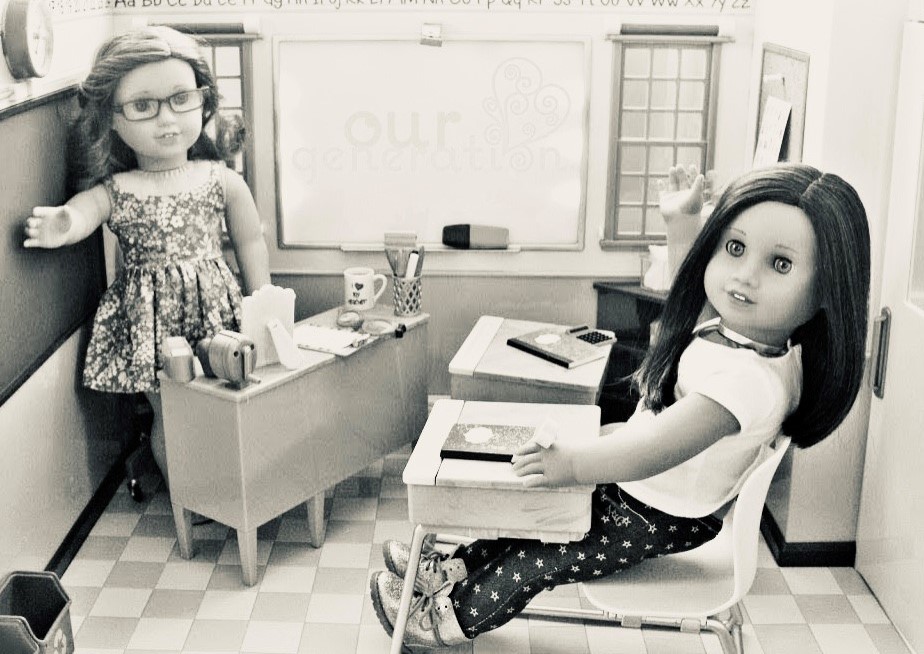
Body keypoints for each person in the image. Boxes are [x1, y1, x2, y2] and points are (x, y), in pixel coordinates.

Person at [369, 162, 871, 649]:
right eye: (734, 247)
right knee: (533, 516)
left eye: (779, 264)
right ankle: (451, 569)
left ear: (830, 288)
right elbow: (689, 303)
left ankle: (446, 620)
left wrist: (574, 464)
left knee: (536, 556)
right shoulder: (750, 341)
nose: (744, 277)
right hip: (645, 492)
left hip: (654, 511)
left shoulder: (747, 384)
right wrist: (682, 224)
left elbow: (654, 450)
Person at [23, 26, 271, 487]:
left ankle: (229, 486)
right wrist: (64, 224)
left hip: (218, 312)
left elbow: (250, 240)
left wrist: (262, 300)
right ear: (112, 118)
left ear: (204, 101)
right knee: (170, 411)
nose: (167, 120)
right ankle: (188, 496)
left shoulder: (219, 180)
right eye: (143, 106)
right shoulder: (119, 190)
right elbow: (85, 212)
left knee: (228, 398)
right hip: (149, 322)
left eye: (181, 99)